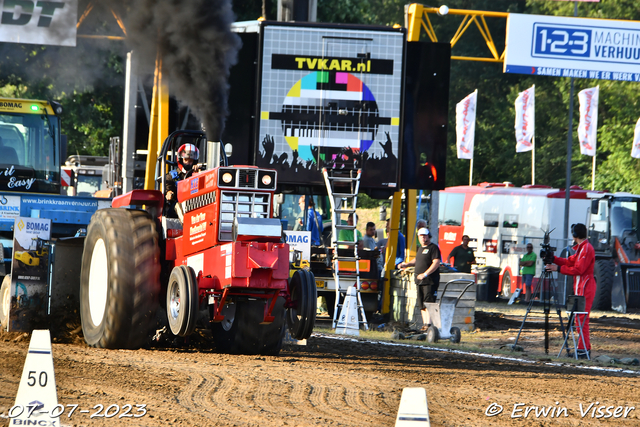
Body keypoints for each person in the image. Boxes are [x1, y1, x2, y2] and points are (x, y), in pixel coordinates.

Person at [545, 223, 595, 359]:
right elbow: (569, 261)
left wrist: (557, 269)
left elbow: (579, 269)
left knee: (582, 318)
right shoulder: (582, 248)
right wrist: (554, 259)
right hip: (581, 286)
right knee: (579, 318)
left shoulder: (586, 248)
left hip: (586, 286)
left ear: (575, 235)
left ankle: (583, 349)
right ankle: (582, 348)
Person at [399, 228, 441, 328]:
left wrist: (425, 274)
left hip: (429, 281)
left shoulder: (433, 248)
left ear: (428, 236)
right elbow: (417, 260)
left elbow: (436, 262)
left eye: (425, 235)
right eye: (421, 236)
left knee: (429, 302)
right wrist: (407, 264)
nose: (423, 238)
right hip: (419, 281)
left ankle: (429, 324)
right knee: (421, 304)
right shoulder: (421, 248)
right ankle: (424, 324)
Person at [165, 143, 201, 217]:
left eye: (190, 160)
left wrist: (198, 174)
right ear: (181, 159)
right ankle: (186, 223)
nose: (188, 163)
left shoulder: (199, 174)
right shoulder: (171, 176)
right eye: (186, 160)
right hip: (176, 208)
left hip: (195, 205)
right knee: (179, 205)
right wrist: (169, 193)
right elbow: (167, 190)